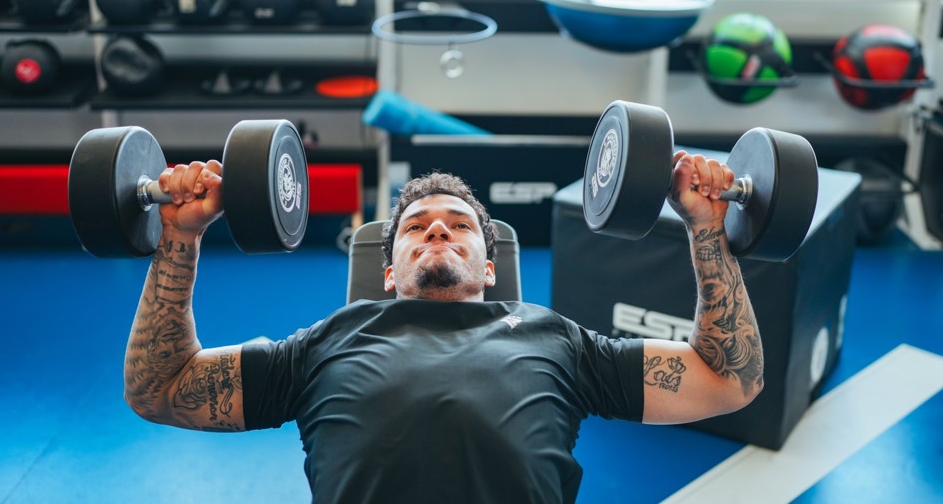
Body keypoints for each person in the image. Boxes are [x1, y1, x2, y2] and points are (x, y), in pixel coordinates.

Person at [124, 152, 763, 503]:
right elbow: (160, 386)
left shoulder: (559, 340)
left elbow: (726, 380)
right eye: (415, 225)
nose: (436, 227)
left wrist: (707, 229)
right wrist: (179, 236)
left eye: (458, 224)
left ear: (490, 267)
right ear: (387, 271)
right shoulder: (322, 344)